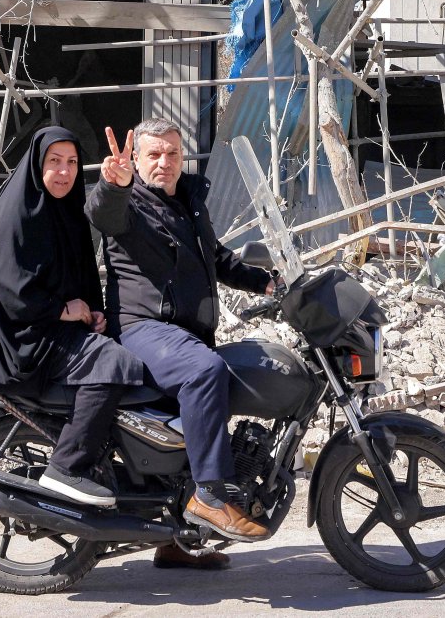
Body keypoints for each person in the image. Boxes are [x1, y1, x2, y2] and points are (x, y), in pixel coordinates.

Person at [86, 118, 280, 567]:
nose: (164, 162)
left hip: (184, 331)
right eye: (153, 154)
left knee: (205, 403)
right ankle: (211, 496)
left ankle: (176, 542)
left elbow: (216, 258)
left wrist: (269, 284)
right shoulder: (129, 200)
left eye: (172, 153)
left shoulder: (188, 201)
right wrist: (113, 185)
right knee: (203, 371)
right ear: (135, 159)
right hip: (141, 327)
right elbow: (103, 214)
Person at [0, 125, 144, 507]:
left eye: (71, 162)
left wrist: (92, 311)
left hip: (55, 327)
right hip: (26, 336)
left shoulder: (67, 208)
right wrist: (62, 309)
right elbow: (9, 286)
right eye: (54, 162)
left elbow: (79, 272)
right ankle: (67, 467)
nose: (64, 172)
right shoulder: (16, 212)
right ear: (37, 165)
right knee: (112, 362)